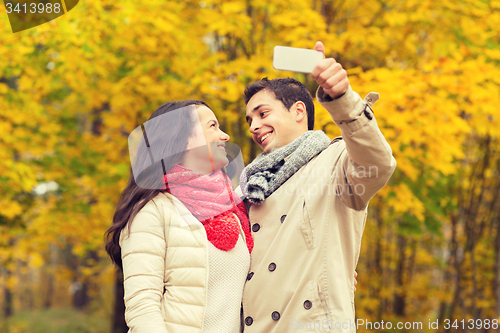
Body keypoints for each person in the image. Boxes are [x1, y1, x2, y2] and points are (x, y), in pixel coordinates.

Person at [239, 41, 397, 332]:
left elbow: (379, 164)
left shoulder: (335, 163)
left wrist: (343, 98)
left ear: (299, 111)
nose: (253, 127)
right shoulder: (249, 189)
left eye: (262, 114)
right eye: (249, 120)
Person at [105, 100, 253, 333]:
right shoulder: (153, 211)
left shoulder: (233, 211)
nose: (224, 136)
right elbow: (143, 310)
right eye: (212, 126)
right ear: (181, 138)